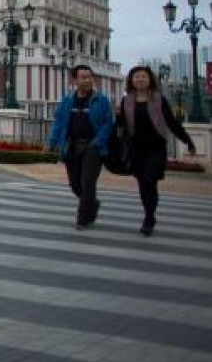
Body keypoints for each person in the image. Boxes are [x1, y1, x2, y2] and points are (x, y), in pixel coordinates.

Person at [120, 65, 196, 236]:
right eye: (137, 76)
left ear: (150, 80)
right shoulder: (126, 101)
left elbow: (171, 122)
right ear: (131, 80)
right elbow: (121, 125)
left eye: (144, 76)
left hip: (156, 148)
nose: (140, 79)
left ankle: (148, 217)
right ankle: (149, 213)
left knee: (149, 180)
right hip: (136, 149)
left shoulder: (159, 99)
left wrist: (188, 141)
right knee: (142, 184)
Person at [47, 64, 114, 229]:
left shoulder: (101, 100)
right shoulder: (68, 100)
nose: (87, 80)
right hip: (72, 146)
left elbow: (108, 123)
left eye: (89, 77)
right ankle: (92, 203)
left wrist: (98, 141)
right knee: (75, 184)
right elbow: (59, 122)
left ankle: (82, 218)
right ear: (75, 80)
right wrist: (51, 142)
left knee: (88, 182)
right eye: (83, 77)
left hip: (93, 147)